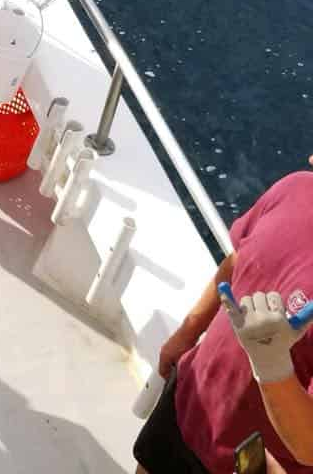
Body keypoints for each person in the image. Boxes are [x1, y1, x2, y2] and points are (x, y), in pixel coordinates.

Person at [133, 171, 313, 474]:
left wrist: (272, 367)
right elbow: (238, 259)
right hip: (189, 401)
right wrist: (188, 332)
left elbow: (308, 448)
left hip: (253, 464)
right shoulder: (295, 186)